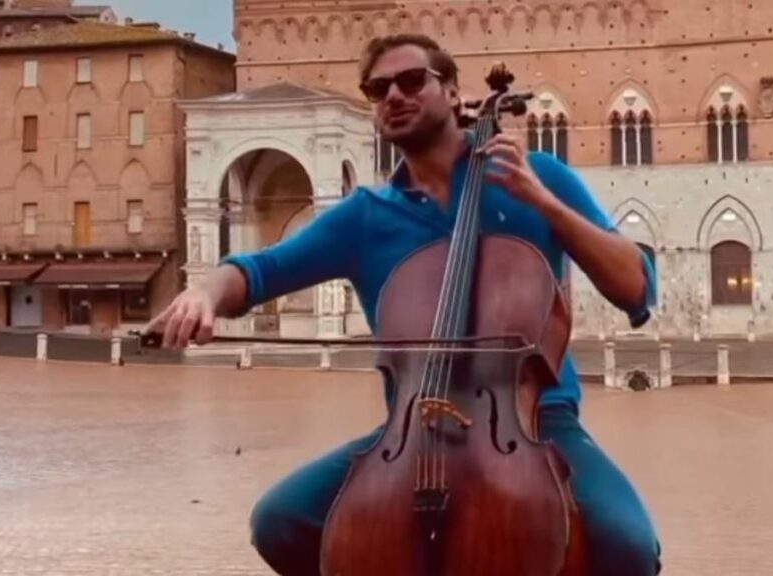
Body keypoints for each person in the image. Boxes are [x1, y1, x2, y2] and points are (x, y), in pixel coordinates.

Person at [146, 33, 661, 576]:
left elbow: (636, 288)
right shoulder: (365, 216)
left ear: (454, 92)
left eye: (413, 80)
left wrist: (544, 204)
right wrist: (202, 293)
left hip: (538, 422)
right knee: (279, 520)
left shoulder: (538, 178)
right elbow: (257, 271)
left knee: (628, 547)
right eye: (378, 88)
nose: (394, 94)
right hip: (416, 427)